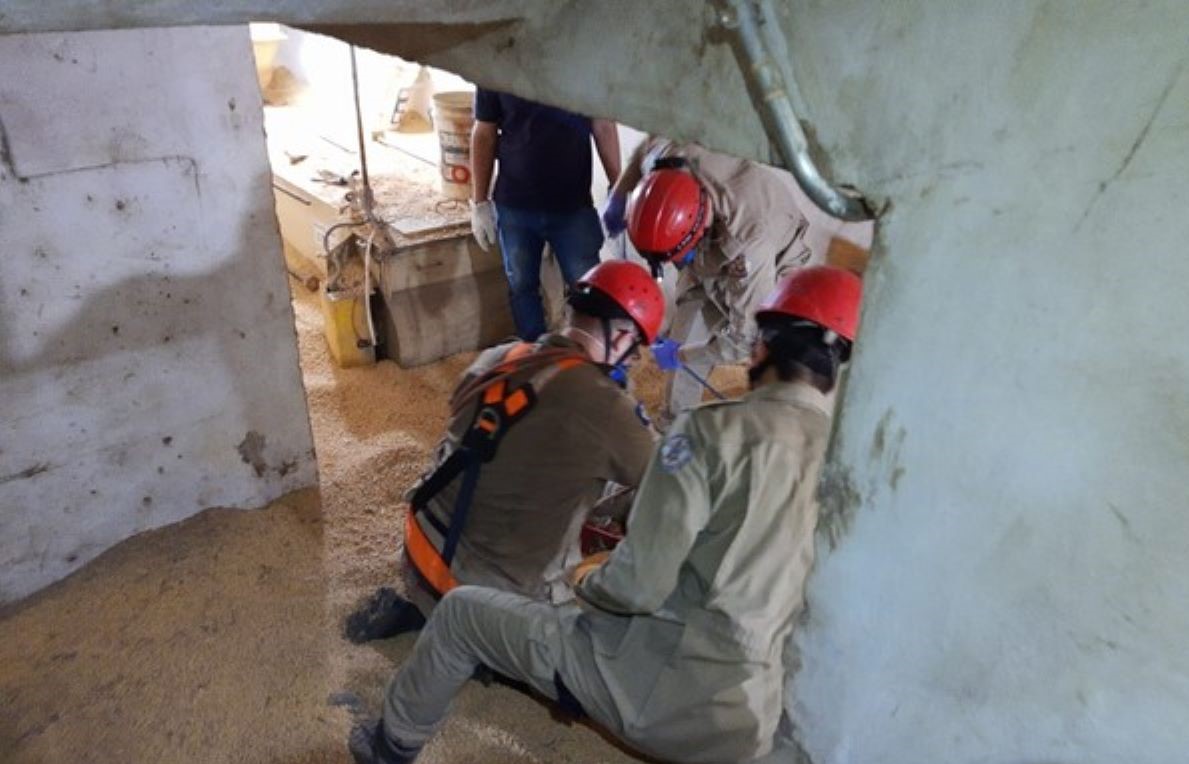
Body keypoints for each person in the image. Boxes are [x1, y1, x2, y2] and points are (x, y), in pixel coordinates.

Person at [347, 265, 863, 764]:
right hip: (741, 713)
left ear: (762, 346)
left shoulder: (500, 354)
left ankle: (388, 745)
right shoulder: (855, 472)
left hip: (420, 548)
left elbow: (638, 571)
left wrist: (594, 573)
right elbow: (649, 488)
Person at [344, 260, 664, 643]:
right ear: (621, 334)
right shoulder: (608, 407)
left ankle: (427, 611)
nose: (632, 362)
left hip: (420, 556)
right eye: (634, 351)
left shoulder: (500, 356)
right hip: (489, 605)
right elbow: (668, 477)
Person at [603, 137, 817, 426]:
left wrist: (683, 354)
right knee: (684, 334)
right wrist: (619, 194)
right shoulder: (667, 157)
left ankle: (763, 428)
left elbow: (744, 339)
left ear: (698, 226)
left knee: (749, 352)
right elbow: (644, 148)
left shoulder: (750, 244)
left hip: (767, 256)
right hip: (711, 246)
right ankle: (675, 425)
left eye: (678, 256)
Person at [469, 89, 622, 341]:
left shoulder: (582, 61)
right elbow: (484, 132)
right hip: (515, 205)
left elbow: (603, 125)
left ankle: (591, 359)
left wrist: (619, 188)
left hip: (573, 206)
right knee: (521, 286)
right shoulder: (496, 63)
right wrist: (479, 202)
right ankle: (533, 355)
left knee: (588, 289)